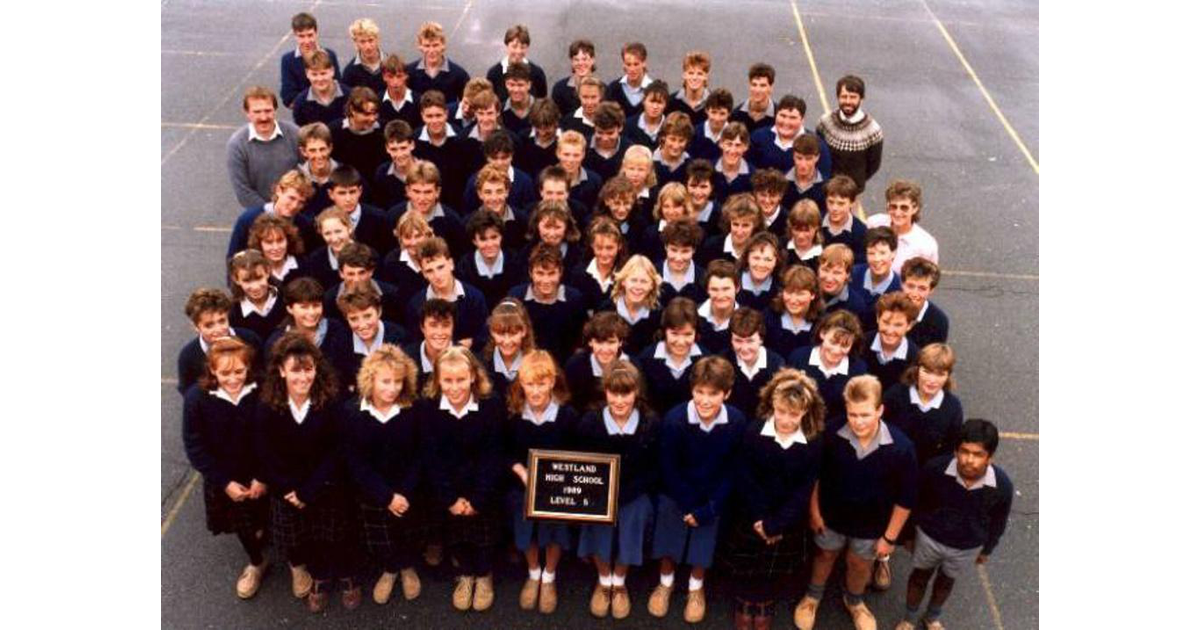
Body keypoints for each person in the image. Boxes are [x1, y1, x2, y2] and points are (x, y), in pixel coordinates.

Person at [795, 375, 918, 630]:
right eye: (852, 415)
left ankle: (855, 601)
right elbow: (815, 475)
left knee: (860, 563)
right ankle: (812, 596)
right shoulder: (830, 433)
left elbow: (905, 499)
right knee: (825, 554)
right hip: (830, 517)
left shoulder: (901, 448)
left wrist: (890, 537)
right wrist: (814, 512)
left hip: (872, 526)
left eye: (865, 415)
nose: (858, 422)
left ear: (880, 410)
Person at [255, 332, 360, 613]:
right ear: (280, 371)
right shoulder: (267, 406)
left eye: (308, 369)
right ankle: (321, 577)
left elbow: (338, 449)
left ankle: (348, 573)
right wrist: (291, 489)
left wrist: (309, 489)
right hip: (288, 489)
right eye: (295, 371)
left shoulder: (332, 400)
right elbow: (266, 453)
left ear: (317, 367)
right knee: (307, 538)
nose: (303, 378)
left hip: (327, 484)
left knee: (338, 535)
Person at [719, 368, 824, 629]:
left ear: (805, 413)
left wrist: (776, 524)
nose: (787, 420)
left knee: (772, 568)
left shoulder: (812, 443)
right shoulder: (754, 432)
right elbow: (745, 477)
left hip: (785, 519)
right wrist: (760, 518)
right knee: (747, 564)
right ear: (772, 406)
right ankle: (745, 601)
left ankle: (765, 603)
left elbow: (803, 489)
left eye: (794, 414)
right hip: (753, 514)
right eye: (782, 411)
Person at [649, 355, 746, 623]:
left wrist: (710, 506)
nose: (705, 400)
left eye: (713, 394)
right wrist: (688, 503)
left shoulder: (737, 422)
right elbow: (668, 468)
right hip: (678, 492)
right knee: (669, 529)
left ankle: (695, 587)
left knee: (706, 533)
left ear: (726, 393)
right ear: (692, 390)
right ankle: (665, 583)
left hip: (712, 494)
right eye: (699, 392)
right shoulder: (674, 420)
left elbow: (733, 469)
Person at [896, 419, 1013, 630]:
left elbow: (999, 521)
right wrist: (908, 535)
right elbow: (915, 503)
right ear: (955, 450)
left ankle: (932, 617)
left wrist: (987, 549)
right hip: (929, 538)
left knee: (946, 582)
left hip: (966, 547)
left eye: (978, 454)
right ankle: (909, 618)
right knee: (919, 577)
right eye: (964, 451)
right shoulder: (934, 470)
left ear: (990, 457)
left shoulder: (1002, 486)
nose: (969, 460)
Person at [418, 346, 506, 612]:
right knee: (455, 533)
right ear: (437, 380)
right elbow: (430, 456)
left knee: (483, 534)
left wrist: (478, 497)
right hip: (448, 488)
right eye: (447, 380)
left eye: (460, 380)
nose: (454, 387)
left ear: (473, 377)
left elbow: (494, 454)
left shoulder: (490, 404)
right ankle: (464, 574)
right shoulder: (429, 407)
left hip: (482, 487)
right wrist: (450, 498)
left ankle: (484, 575)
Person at [181, 337, 269, 599]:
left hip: (264, 471)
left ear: (248, 367)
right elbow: (194, 446)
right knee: (242, 525)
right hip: (227, 478)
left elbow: (273, 435)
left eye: (239, 371)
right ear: (212, 370)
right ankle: (256, 562)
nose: (233, 379)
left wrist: (263, 476)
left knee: (272, 516)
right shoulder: (197, 398)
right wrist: (224, 482)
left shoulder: (262, 389)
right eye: (224, 373)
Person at [573, 360, 661, 620]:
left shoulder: (650, 423)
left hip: (635, 491)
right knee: (598, 515)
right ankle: (604, 579)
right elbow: (582, 467)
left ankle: (619, 580)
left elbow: (654, 470)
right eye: (614, 393)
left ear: (637, 393)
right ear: (605, 391)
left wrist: (624, 496)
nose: (620, 400)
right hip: (599, 492)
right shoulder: (589, 422)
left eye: (627, 393)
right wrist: (605, 497)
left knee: (634, 513)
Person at [344, 344, 425, 605]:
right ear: (370, 379)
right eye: (385, 381)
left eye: (398, 382)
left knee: (408, 531)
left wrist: (404, 492)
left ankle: (407, 567)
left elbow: (419, 455)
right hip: (374, 491)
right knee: (382, 537)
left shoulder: (413, 410)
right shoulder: (353, 413)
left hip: (407, 488)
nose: (392, 389)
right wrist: (386, 496)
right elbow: (355, 462)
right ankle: (389, 569)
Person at [504, 350, 578, 614]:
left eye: (541, 383)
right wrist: (523, 473)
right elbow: (505, 452)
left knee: (553, 520)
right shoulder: (513, 413)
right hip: (522, 482)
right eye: (529, 384)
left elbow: (575, 456)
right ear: (521, 384)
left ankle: (549, 576)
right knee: (523, 511)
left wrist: (554, 479)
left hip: (556, 485)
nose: (535, 391)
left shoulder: (567, 415)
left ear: (552, 381)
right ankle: (533, 572)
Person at [884, 343, 964, 467]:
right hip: (891, 465)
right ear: (916, 370)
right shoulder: (895, 396)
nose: (932, 380)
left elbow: (949, 448)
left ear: (948, 376)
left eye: (940, 374)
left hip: (928, 471)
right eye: (927, 372)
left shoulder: (953, 407)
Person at [509, 243, 587, 365]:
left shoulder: (574, 299)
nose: (546, 280)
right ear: (531, 272)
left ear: (560, 272)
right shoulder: (517, 296)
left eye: (551, 273)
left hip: (563, 365)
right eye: (540, 273)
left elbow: (580, 342)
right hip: (525, 364)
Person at [406, 237, 489, 349]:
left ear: (451, 264)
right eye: (429, 271)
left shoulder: (474, 297)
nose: (437, 275)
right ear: (423, 273)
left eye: (440, 267)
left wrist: (470, 343)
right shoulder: (416, 304)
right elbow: (415, 342)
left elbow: (483, 337)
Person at [227, 86, 303, 208]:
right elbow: (242, 190)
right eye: (257, 112)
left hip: (296, 207)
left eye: (268, 111)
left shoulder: (294, 134)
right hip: (259, 214)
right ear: (247, 113)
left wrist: (293, 205)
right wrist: (273, 211)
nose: (263, 117)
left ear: (275, 110)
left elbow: (308, 171)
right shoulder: (237, 144)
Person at [177, 288, 262, 395]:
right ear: (196, 327)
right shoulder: (187, 356)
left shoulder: (250, 339)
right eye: (209, 325)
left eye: (222, 321)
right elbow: (188, 392)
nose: (218, 330)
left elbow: (263, 376)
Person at [786, 309, 868, 420]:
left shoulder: (859, 370)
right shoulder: (798, 358)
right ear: (823, 333)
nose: (836, 350)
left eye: (845, 345)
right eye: (833, 342)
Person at [637, 297, 705, 416]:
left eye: (688, 334)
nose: (681, 341)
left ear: (696, 333)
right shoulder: (646, 359)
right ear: (664, 331)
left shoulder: (705, 359)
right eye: (674, 333)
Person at [333, 284, 407, 391]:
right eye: (354, 319)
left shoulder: (399, 337)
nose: (362, 325)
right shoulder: (340, 341)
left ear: (379, 311)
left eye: (367, 316)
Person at [817, 74, 884, 193]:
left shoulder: (873, 130)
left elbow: (873, 165)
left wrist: (855, 184)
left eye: (853, 97)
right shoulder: (825, 122)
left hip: (852, 194)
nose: (848, 101)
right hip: (825, 188)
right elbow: (818, 154)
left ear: (861, 98)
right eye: (844, 96)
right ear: (838, 97)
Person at [563, 311, 633, 413]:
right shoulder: (575, 366)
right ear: (590, 342)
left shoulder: (631, 366)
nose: (605, 349)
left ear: (620, 342)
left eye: (611, 342)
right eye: (599, 342)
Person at [747, 94, 831, 179]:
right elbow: (748, 169)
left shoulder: (817, 145)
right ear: (776, 115)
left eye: (792, 118)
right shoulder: (757, 138)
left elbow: (824, 177)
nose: (786, 122)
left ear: (802, 120)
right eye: (782, 116)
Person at [867, 179, 939, 272]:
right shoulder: (873, 224)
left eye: (904, 207)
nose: (897, 213)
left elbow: (929, 279)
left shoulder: (926, 245)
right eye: (893, 207)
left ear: (915, 208)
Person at [725, 307, 786, 416]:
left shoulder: (777, 364)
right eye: (738, 341)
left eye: (750, 341)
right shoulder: (723, 362)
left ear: (761, 339)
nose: (744, 348)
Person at [597, 255, 664, 353]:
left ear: (652, 285)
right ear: (623, 281)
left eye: (644, 281)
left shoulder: (658, 314)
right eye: (633, 280)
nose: (638, 286)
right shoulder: (606, 309)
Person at [459, 210, 520, 310]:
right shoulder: (464, 267)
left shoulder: (515, 261)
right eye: (483, 239)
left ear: (501, 237)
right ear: (474, 241)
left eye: (494, 237)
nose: (490, 244)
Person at [331, 89, 389, 192]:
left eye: (374, 113)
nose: (372, 118)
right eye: (366, 114)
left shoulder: (384, 130)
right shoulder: (335, 131)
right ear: (353, 110)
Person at [280, 12, 341, 108]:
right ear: (295, 35)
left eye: (310, 35)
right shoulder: (288, 60)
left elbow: (338, 86)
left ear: (316, 33)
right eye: (301, 36)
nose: (306, 41)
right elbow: (288, 97)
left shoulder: (330, 55)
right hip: (305, 114)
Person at [479, 298, 536, 401]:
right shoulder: (480, 364)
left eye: (513, 333)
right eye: (500, 334)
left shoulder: (536, 364)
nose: (507, 341)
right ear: (492, 331)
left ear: (524, 331)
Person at [569, 216, 628, 315]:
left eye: (609, 248)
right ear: (592, 245)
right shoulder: (579, 274)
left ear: (619, 246)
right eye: (599, 248)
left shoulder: (627, 273)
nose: (604, 253)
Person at [765, 264, 823, 360]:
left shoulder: (822, 323)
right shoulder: (768, 317)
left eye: (800, 294)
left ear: (813, 295)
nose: (793, 300)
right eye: (788, 292)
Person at [865, 292, 919, 393]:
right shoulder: (862, 344)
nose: (890, 330)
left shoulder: (915, 358)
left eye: (898, 325)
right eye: (886, 322)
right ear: (877, 318)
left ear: (909, 325)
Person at [227, 249, 286, 341]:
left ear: (267, 272)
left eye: (259, 278)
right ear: (236, 279)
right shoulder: (233, 312)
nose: (255, 287)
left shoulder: (285, 298)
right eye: (247, 281)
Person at [406, 21, 470, 101]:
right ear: (420, 46)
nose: (431, 50)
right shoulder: (409, 73)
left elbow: (467, 104)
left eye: (435, 45)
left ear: (443, 45)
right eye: (427, 46)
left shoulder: (459, 75)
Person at [485, 24, 549, 102]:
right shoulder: (494, 74)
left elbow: (542, 103)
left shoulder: (537, 73)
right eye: (514, 46)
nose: (518, 51)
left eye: (523, 47)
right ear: (506, 45)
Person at [817, 243, 873, 329]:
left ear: (847, 274)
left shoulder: (856, 306)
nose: (829, 278)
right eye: (825, 270)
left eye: (837, 273)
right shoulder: (809, 294)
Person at [247, 213, 308, 288]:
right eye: (269, 242)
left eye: (280, 240)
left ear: (288, 240)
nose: (276, 247)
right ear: (259, 244)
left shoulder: (304, 265)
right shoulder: (253, 269)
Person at [901, 257, 950, 350]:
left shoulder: (939, 321)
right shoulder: (887, 308)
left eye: (922, 288)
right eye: (910, 286)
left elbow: (934, 359)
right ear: (902, 284)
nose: (914, 294)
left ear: (931, 290)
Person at [292, 50, 348, 127]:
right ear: (307, 73)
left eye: (323, 73)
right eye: (314, 74)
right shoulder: (301, 103)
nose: (320, 79)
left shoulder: (349, 96)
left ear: (332, 71)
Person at [696, 259, 740, 355]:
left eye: (726, 289)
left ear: (737, 288)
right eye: (714, 289)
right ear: (707, 290)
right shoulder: (693, 316)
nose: (720, 295)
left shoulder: (746, 319)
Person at [852, 226, 902, 310]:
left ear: (893, 253)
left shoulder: (899, 289)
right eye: (871, 253)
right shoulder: (852, 275)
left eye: (882, 253)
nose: (877, 259)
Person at [657, 220, 706, 306]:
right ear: (666, 247)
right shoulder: (653, 273)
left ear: (694, 250)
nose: (678, 258)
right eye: (673, 250)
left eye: (685, 251)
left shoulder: (704, 278)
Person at [822, 175, 868, 261]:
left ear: (852, 203)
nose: (834, 208)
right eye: (831, 202)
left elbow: (860, 263)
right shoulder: (817, 222)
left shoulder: (860, 231)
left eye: (841, 203)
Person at [372, 120, 416, 209]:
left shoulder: (427, 170)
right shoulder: (382, 173)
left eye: (403, 148)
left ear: (412, 145)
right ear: (387, 148)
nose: (399, 154)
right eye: (394, 149)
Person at [735, 231, 783, 312]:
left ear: (776, 262)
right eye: (756, 258)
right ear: (747, 258)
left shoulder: (780, 288)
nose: (761, 264)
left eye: (768, 260)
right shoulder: (733, 282)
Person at [583, 101, 630, 182]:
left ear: (620, 128)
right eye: (600, 132)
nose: (605, 138)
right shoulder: (583, 147)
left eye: (610, 133)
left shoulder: (629, 149)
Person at [782, 134, 828, 214]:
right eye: (799, 158)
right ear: (793, 156)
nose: (803, 164)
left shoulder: (826, 186)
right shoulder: (781, 182)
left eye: (808, 159)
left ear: (817, 157)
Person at [551, 39, 599, 116]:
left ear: (592, 60)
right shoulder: (559, 89)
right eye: (576, 59)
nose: (580, 63)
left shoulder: (603, 89)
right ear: (572, 62)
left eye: (584, 59)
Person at [605, 42, 653, 116]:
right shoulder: (613, 89)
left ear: (644, 63)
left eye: (636, 64)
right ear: (623, 64)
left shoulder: (654, 90)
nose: (632, 69)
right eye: (628, 64)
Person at [666, 51, 712, 126]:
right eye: (691, 73)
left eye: (700, 74)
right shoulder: (671, 103)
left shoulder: (713, 103)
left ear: (706, 77)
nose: (694, 78)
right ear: (684, 75)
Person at [690, 88, 733, 163]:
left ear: (729, 113)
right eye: (713, 112)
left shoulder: (734, 136)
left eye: (722, 113)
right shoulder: (695, 133)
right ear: (706, 110)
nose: (717, 118)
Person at [379, 54, 422, 130]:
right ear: (384, 77)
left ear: (406, 76)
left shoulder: (418, 100)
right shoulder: (378, 101)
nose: (395, 82)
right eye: (390, 76)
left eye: (399, 76)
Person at [343, 18, 385, 95]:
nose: (368, 46)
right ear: (356, 43)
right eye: (362, 42)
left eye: (370, 40)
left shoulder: (390, 65)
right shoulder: (350, 71)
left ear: (377, 40)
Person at [731, 63, 777, 133]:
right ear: (749, 85)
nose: (757, 90)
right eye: (754, 85)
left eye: (762, 85)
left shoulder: (779, 116)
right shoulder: (735, 115)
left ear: (771, 87)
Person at [624, 80, 671, 149]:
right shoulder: (629, 125)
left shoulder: (670, 127)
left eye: (659, 103)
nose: (655, 107)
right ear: (644, 101)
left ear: (665, 105)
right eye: (652, 101)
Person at [653, 112, 694, 186]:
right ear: (663, 137)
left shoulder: (691, 166)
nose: (676, 146)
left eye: (681, 140)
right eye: (672, 139)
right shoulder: (650, 163)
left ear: (687, 141)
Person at [784, 199, 824, 272]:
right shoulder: (781, 248)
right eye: (796, 229)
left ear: (816, 227)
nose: (801, 236)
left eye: (806, 230)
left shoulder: (824, 253)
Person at [751, 168, 790, 239]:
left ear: (780, 196)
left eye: (772, 196)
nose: (767, 200)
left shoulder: (789, 221)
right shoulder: (748, 217)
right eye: (763, 195)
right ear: (755, 194)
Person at [499, 62, 537, 134]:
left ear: (529, 85)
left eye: (520, 85)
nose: (516, 90)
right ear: (506, 84)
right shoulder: (499, 112)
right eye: (512, 85)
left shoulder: (540, 110)